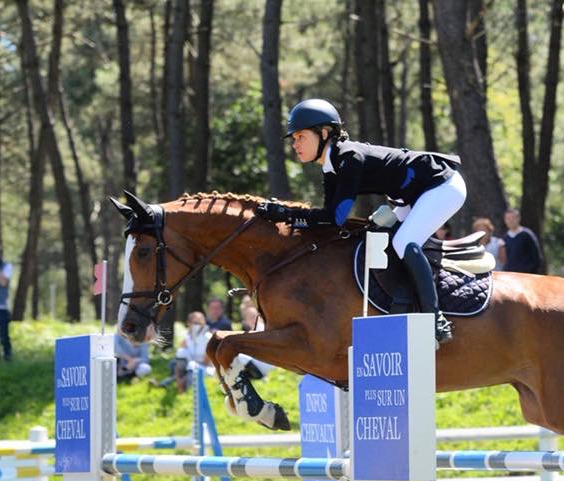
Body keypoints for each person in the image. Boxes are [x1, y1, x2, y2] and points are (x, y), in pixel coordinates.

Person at [259, 98, 465, 345]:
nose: (295, 144)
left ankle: (435, 318)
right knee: (386, 241)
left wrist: (285, 214)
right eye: (294, 139)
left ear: (324, 133)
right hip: (409, 196)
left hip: (442, 184)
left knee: (403, 241)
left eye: (300, 137)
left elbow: (335, 218)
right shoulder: (331, 166)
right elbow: (329, 218)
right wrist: (287, 216)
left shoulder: (350, 159)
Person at [158, 311, 213, 391]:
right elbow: (181, 357)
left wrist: (190, 364)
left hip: (205, 368)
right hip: (189, 367)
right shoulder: (187, 337)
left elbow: (206, 362)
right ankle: (176, 383)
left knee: (191, 366)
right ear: (189, 323)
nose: (198, 325)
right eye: (195, 322)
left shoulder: (208, 337)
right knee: (181, 353)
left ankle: (183, 388)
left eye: (201, 322)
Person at [502, 208, 543, 274]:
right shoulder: (505, 237)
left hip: (525, 276)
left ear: (518, 219)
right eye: (508, 218)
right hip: (509, 276)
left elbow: (536, 258)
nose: (511, 221)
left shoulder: (527, 235)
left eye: (513, 218)